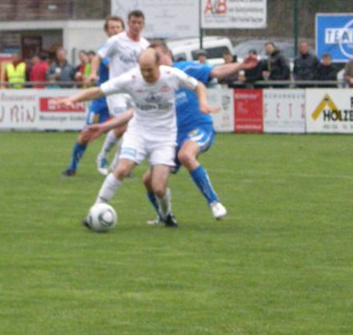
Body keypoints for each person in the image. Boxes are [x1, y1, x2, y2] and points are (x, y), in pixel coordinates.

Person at [83, 41, 258, 221]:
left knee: (186, 155)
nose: (156, 63)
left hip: (197, 127)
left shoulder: (184, 70)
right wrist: (105, 126)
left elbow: (216, 71)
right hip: (170, 137)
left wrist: (240, 66)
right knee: (148, 181)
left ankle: (214, 203)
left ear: (168, 54)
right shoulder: (150, 80)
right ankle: (164, 217)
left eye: (158, 57)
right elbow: (134, 112)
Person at [59, 48, 217, 228]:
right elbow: (99, 91)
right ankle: (94, 210)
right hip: (138, 133)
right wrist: (73, 99)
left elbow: (199, 86)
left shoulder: (171, 75)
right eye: (143, 70)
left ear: (158, 65)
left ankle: (166, 216)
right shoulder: (131, 78)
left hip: (164, 137)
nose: (146, 74)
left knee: (159, 188)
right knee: (121, 169)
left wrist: (203, 103)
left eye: (150, 70)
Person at [61, 16, 124, 177]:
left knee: (126, 130)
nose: (115, 30)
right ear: (106, 31)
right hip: (102, 99)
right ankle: (72, 166)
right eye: (112, 27)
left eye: (118, 27)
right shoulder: (106, 49)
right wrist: (94, 74)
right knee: (86, 135)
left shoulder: (129, 49)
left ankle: (120, 166)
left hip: (122, 97)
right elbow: (110, 65)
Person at [90, 10, 150, 175]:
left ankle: (116, 165)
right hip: (116, 90)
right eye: (133, 22)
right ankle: (103, 155)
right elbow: (97, 57)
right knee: (122, 125)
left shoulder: (145, 45)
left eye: (139, 23)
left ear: (143, 25)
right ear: (128, 24)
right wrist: (93, 73)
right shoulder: (116, 41)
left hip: (135, 91)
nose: (136, 26)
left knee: (131, 129)